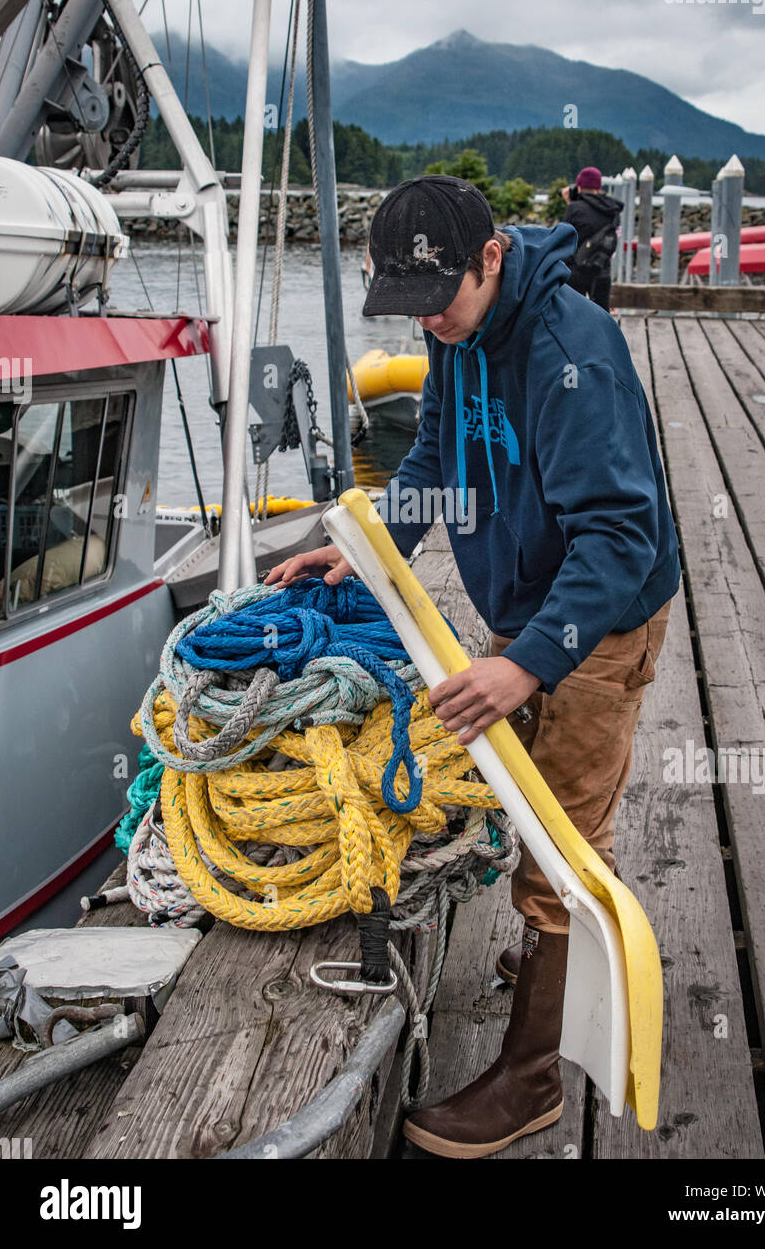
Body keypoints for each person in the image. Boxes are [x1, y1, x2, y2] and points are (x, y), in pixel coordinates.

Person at [265, 173, 681, 1159]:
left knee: (561, 834)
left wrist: (529, 663)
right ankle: (555, 954)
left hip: (597, 623)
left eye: (437, 304)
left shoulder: (569, 347)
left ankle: (531, 1078)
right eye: (410, 312)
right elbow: (436, 455)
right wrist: (366, 554)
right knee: (533, 806)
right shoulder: (453, 330)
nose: (429, 329)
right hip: (529, 605)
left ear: (489, 259)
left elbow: (620, 533)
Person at [561, 165, 622, 313]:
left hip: (576, 270)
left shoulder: (575, 208)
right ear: (599, 187)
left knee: (572, 314)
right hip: (601, 267)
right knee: (601, 316)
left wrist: (570, 203)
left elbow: (565, 237)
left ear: (579, 186)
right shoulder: (613, 209)